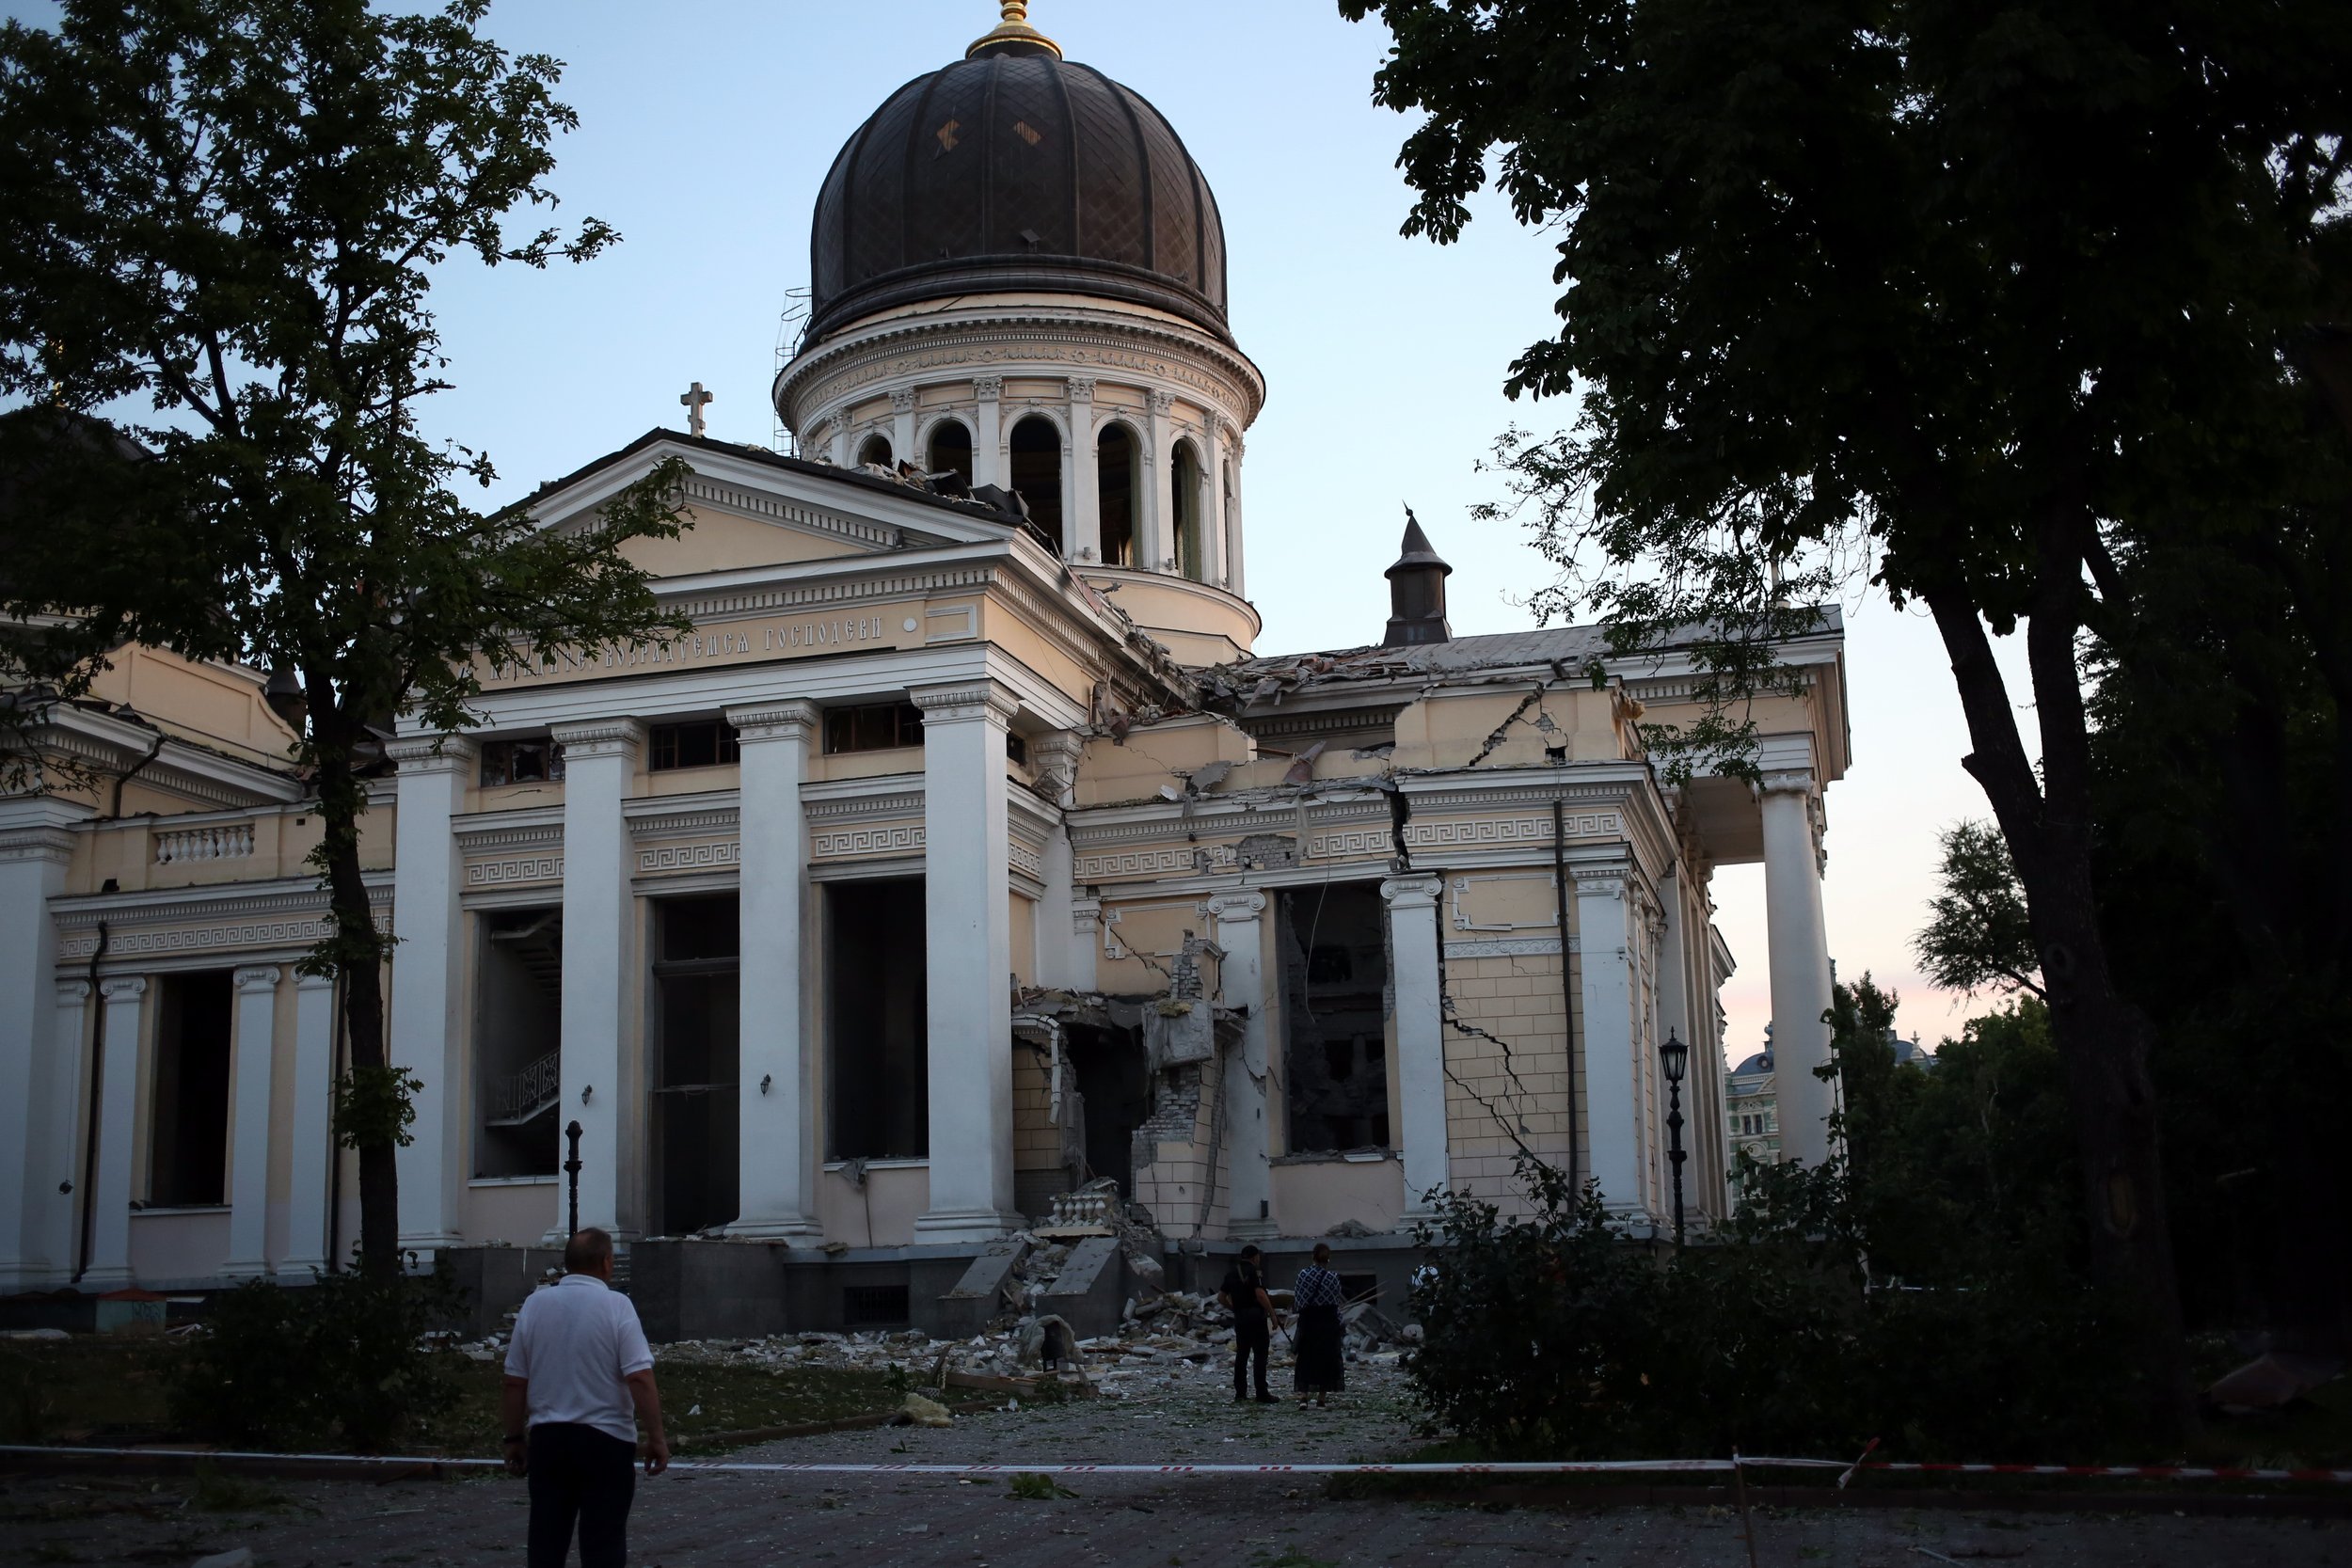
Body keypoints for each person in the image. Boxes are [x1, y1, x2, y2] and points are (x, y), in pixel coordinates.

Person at [501, 1227, 671, 1568]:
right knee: (603, 1542)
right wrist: (656, 1437)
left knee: (546, 1542)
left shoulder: (535, 1304)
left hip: (549, 1440)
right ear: (607, 1263)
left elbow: (514, 1381)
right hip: (606, 1442)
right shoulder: (616, 1305)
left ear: (567, 1264)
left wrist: (514, 1437)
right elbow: (639, 1375)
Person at [1216, 1243, 1279, 1404]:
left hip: (1241, 1318)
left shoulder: (1231, 1273)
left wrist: (1235, 1308)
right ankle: (1261, 1393)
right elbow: (1260, 1294)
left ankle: (1240, 1393)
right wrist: (1272, 1314)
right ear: (1255, 1257)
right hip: (1256, 1317)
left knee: (1242, 1354)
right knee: (1260, 1355)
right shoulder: (1255, 1272)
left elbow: (1221, 1298)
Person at [1291, 1243, 1346, 1407]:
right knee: (1327, 1359)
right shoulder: (1333, 1278)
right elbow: (1335, 1303)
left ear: (1313, 1256)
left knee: (1306, 1359)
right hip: (1328, 1323)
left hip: (1309, 1322)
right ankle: (1321, 1398)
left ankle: (1303, 1397)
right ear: (1328, 1259)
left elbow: (1299, 1301)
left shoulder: (1303, 1275)